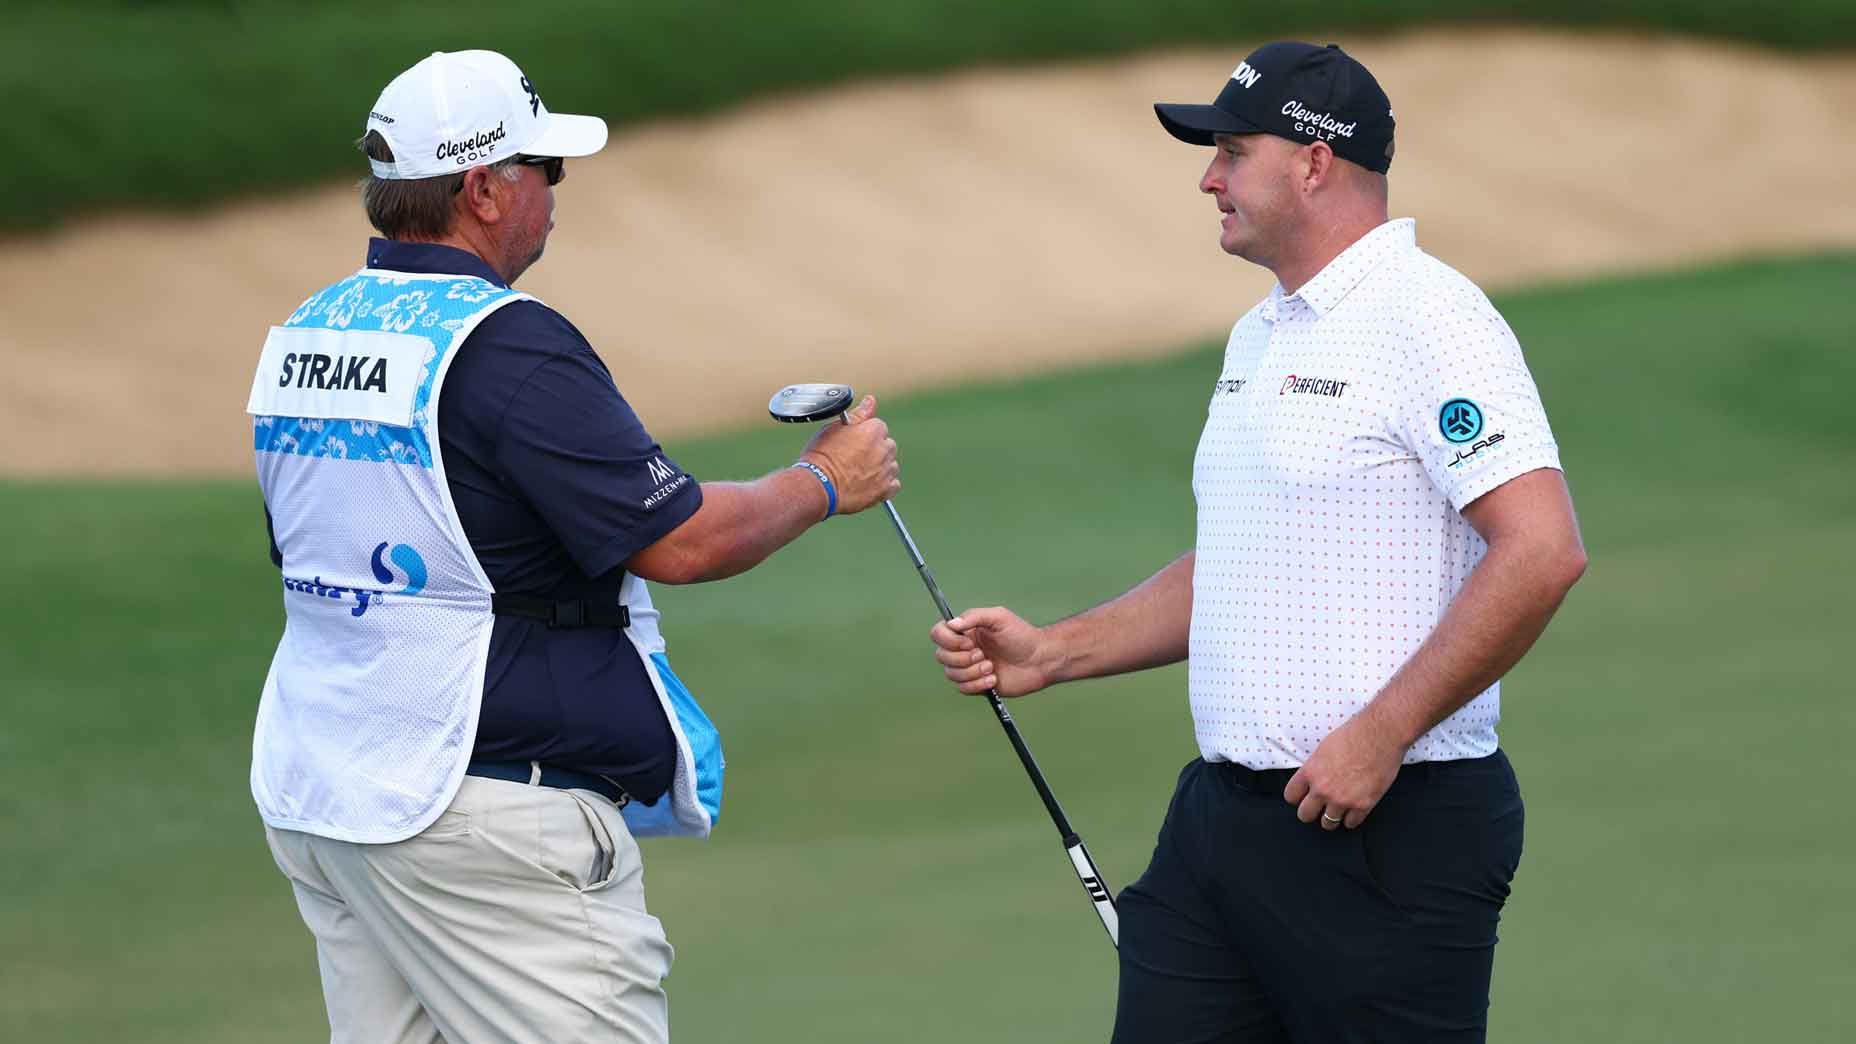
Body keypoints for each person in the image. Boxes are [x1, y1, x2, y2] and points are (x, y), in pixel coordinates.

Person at [929, 41, 1586, 1043]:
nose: (1207, 176)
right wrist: (1055, 652)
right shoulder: (1263, 334)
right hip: (1220, 831)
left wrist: (1380, 730)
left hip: (1387, 833)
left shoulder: (1429, 319)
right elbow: (1248, 563)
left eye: (1232, 152)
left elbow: (1539, 550)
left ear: (1313, 163)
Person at [246, 49, 899, 1043]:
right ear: (480, 191)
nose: (555, 191)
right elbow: (680, 542)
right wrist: (821, 482)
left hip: (327, 787)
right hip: (478, 812)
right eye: (541, 170)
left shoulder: (306, 333)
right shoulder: (507, 340)